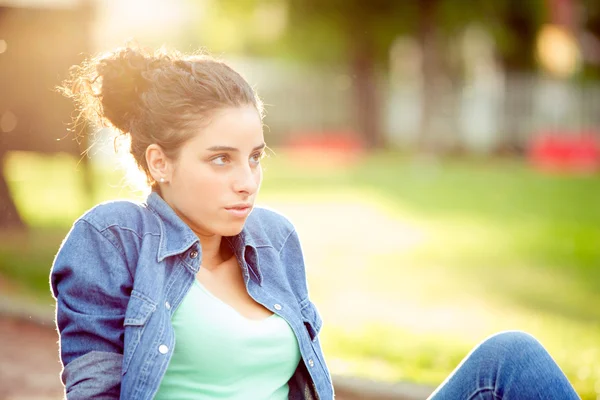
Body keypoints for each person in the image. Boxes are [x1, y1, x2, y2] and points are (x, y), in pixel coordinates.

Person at [50, 45, 580, 400]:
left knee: (511, 357)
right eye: (220, 159)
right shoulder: (115, 238)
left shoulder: (270, 239)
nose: (247, 181)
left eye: (254, 156)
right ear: (159, 162)